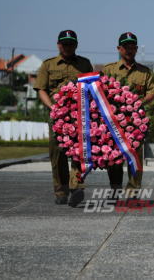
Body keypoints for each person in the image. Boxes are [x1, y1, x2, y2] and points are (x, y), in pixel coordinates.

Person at [34, 30, 93, 207]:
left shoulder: (84, 64)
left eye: (71, 44)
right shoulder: (48, 65)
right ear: (58, 45)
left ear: (76, 45)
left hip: (79, 116)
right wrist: (52, 108)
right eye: (64, 44)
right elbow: (41, 89)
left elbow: (92, 87)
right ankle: (61, 192)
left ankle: (76, 188)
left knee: (79, 152)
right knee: (57, 154)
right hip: (57, 118)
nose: (67, 47)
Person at [102, 32, 154, 199]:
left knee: (135, 157)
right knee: (113, 156)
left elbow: (152, 93)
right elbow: (100, 92)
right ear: (119, 49)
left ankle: (132, 191)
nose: (129, 50)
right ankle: (115, 190)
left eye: (132, 47)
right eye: (126, 47)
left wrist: (137, 103)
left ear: (136, 49)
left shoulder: (145, 71)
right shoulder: (108, 69)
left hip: (135, 122)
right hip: (112, 120)